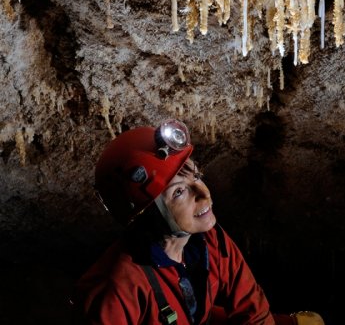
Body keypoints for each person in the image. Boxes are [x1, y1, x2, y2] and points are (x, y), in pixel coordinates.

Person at [72, 118, 324, 325]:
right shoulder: (117, 289)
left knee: (310, 323)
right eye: (179, 192)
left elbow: (253, 313)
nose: (204, 195)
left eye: (197, 177)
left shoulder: (211, 241)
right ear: (148, 214)